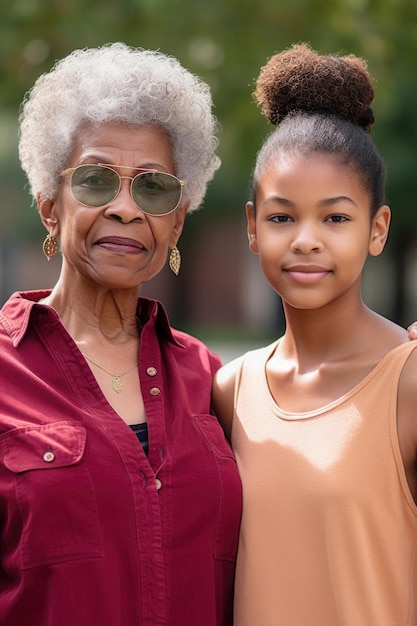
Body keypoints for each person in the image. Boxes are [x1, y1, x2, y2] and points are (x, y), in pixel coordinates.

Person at [0, 43, 242, 626]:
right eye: (96, 181)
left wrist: (392, 364)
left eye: (154, 188)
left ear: (177, 221)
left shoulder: (215, 380)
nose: (127, 209)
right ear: (49, 207)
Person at [213, 43, 417, 625]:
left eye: (335, 217)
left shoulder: (408, 385)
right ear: (252, 228)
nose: (305, 239)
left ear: (377, 230)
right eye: (281, 217)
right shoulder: (230, 389)